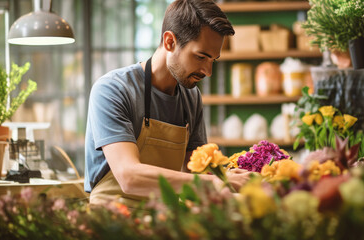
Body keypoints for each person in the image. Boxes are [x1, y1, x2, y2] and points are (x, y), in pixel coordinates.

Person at [84, 0, 249, 206]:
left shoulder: (191, 96)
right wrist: (217, 182)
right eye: (200, 57)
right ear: (170, 41)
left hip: (165, 219)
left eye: (213, 60)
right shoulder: (113, 90)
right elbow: (129, 176)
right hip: (114, 220)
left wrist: (230, 175)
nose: (208, 71)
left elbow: (194, 173)